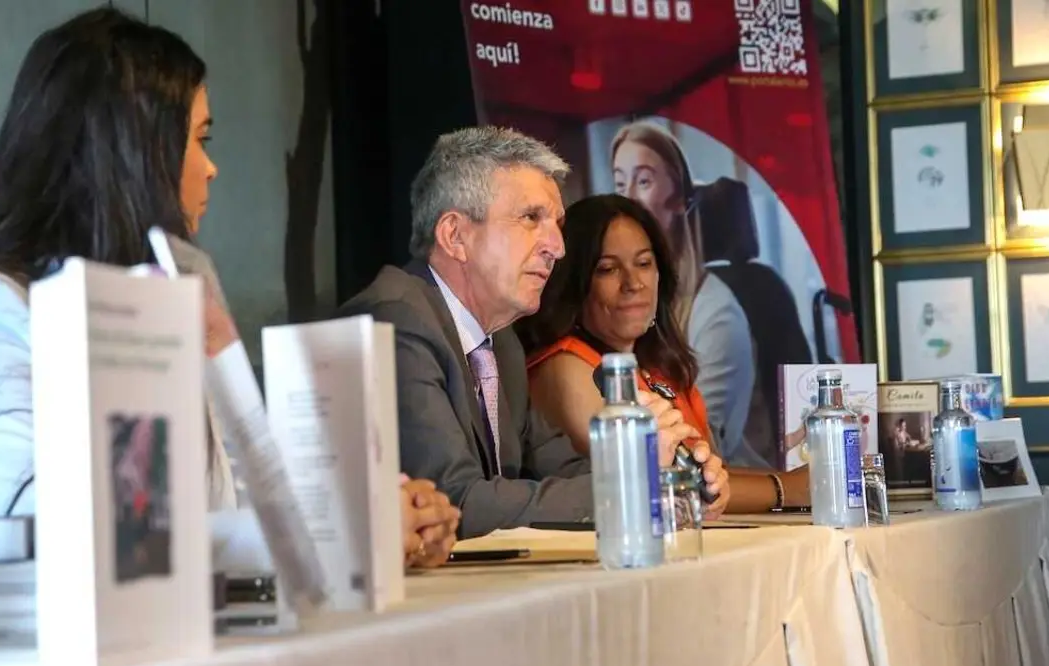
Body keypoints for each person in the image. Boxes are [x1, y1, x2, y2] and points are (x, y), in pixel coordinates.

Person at [0, 8, 455, 620]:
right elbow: (29, 531)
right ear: (131, 151)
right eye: (201, 139)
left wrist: (361, 520)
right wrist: (338, 540)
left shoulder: (162, 305)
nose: (212, 167)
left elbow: (230, 500)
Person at [338, 126, 729, 538]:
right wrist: (631, 485)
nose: (557, 247)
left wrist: (671, 480)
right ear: (455, 236)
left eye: (556, 224)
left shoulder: (498, 342)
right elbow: (455, 500)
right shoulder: (396, 321)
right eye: (531, 218)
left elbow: (561, 468)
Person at [516, 194, 809, 514]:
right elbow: (662, 486)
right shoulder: (566, 368)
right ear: (574, 284)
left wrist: (794, 481)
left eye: (643, 264)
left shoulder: (660, 366)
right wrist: (788, 489)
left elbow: (714, 478)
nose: (633, 283)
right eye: (607, 269)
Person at [610, 121, 769, 467]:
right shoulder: (610, 308)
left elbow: (703, 448)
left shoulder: (716, 312)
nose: (628, 199)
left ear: (681, 199)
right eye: (620, 183)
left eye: (644, 181)